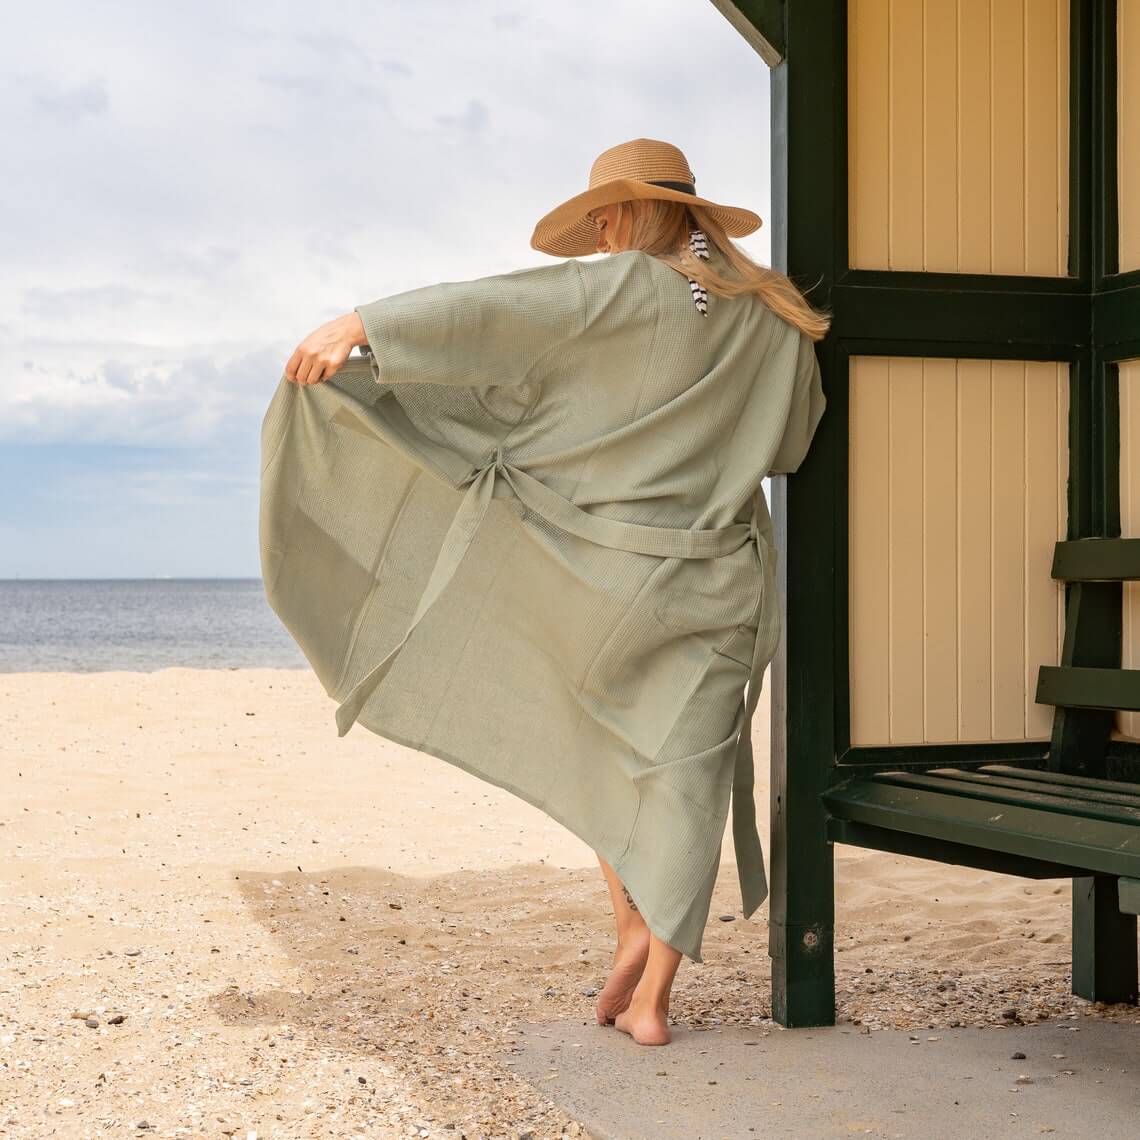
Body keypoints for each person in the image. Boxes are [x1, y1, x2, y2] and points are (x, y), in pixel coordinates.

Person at [264, 138, 830, 1047]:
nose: (602, 236)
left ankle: (629, 933)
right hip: (717, 581)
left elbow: (498, 312)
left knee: (597, 748)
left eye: (606, 219)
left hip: (605, 577)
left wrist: (363, 325)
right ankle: (652, 995)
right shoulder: (776, 317)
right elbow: (792, 444)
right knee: (685, 777)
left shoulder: (618, 291)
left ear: (627, 213)